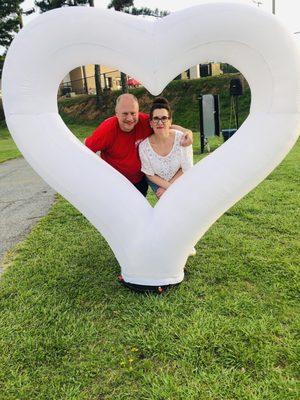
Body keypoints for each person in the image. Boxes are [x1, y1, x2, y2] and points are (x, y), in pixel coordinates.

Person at [84, 94, 192, 196]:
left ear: (138, 112)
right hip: (116, 183)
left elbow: (166, 126)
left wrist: (187, 131)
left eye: (133, 113)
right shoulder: (107, 129)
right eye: (125, 114)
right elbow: (85, 149)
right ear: (116, 113)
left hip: (139, 181)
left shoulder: (145, 121)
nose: (130, 118)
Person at [139, 97, 193, 199]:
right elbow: (150, 174)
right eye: (156, 119)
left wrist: (169, 188)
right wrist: (167, 187)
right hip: (159, 185)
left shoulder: (182, 139)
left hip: (182, 179)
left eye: (164, 118)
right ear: (150, 123)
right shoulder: (143, 147)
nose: (160, 122)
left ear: (170, 121)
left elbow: (186, 168)